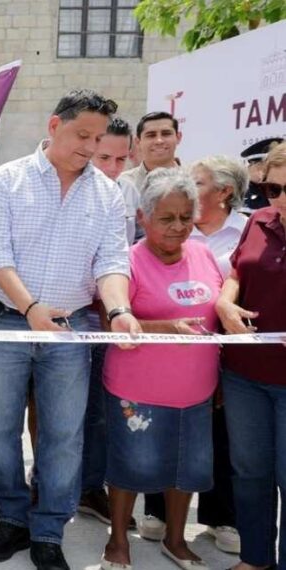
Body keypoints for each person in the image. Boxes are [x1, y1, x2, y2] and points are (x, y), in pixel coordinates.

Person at [0, 89, 140, 570]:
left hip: (70, 329)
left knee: (64, 434)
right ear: (54, 126)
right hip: (4, 320)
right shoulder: (7, 181)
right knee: (1, 430)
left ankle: (48, 529)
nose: (90, 147)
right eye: (81, 135)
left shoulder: (107, 193)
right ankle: (13, 519)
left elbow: (111, 260)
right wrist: (29, 308)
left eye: (98, 138)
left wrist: (120, 307)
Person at [99, 168, 222, 570]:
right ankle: (118, 542)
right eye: (166, 218)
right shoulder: (125, 262)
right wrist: (166, 327)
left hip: (197, 391)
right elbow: (108, 323)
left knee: (186, 469)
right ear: (143, 218)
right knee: (130, 468)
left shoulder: (204, 254)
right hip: (138, 393)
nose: (178, 227)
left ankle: (175, 540)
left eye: (186, 217)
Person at [215, 143, 286, 570]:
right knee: (250, 472)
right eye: (270, 188)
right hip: (245, 373)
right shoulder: (259, 220)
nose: (275, 198)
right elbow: (237, 272)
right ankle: (255, 559)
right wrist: (225, 303)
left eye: (283, 189)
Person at [77, 116, 141, 527]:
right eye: (104, 157)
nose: (113, 168)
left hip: (113, 318)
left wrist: (119, 308)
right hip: (71, 315)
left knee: (101, 411)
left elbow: (123, 257)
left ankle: (89, 487)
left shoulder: (126, 194)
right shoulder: (63, 188)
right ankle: (49, 482)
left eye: (121, 159)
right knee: (59, 411)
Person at [119, 111, 182, 196]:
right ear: (138, 142)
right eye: (151, 135)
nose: (159, 141)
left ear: (178, 137)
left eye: (166, 134)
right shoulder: (122, 184)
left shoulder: (194, 181)